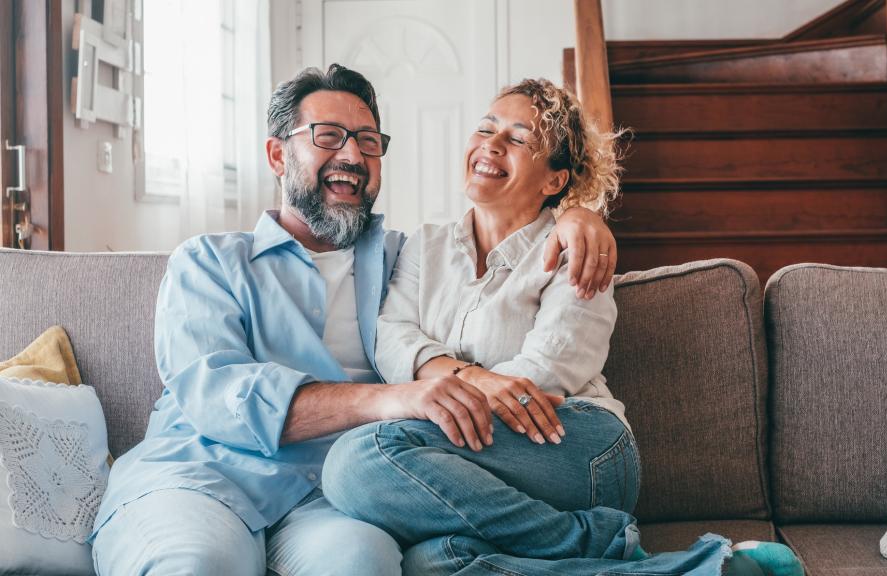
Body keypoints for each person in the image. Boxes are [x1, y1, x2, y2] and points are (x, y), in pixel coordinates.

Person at [88, 64, 618, 576]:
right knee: (197, 566)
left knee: (363, 563)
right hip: (200, 478)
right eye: (328, 136)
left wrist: (579, 215)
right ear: (277, 155)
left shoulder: (404, 257)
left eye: (368, 141)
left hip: (329, 496)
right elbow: (217, 394)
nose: (352, 154)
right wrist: (394, 398)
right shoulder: (207, 261)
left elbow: (509, 227)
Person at [320, 78, 805, 576]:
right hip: (478, 453)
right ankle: (703, 571)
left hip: (574, 442)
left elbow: (546, 372)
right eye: (486, 128)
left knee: (358, 459)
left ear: (554, 181)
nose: (490, 144)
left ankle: (606, 542)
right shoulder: (426, 244)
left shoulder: (577, 245)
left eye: (517, 138)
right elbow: (393, 336)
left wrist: (445, 391)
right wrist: (469, 379)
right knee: (433, 562)